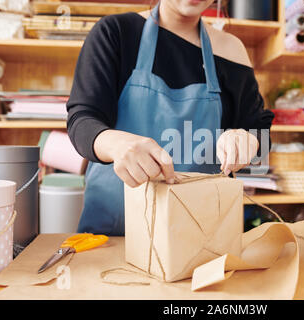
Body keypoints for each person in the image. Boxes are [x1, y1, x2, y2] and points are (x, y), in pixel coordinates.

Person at [66, 0, 274, 235]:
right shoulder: (116, 32)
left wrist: (247, 139)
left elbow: (260, 136)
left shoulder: (231, 51)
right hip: (113, 237)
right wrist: (117, 144)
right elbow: (81, 121)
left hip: (201, 240)